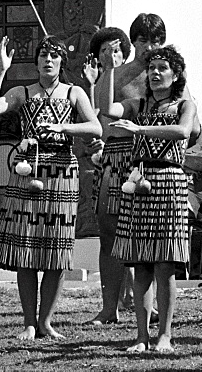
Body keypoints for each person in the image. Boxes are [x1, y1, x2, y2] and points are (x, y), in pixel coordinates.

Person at [0, 36, 101, 340]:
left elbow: (95, 128)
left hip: (61, 169)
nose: (48, 60)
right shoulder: (23, 92)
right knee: (26, 247)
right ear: (36, 62)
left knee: (56, 248)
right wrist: (1, 70)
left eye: (54, 56)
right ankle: (29, 323)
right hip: (28, 169)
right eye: (43, 56)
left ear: (62, 62)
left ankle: (46, 321)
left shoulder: (74, 93)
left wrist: (64, 128)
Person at [101, 45, 193, 353]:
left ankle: (164, 335)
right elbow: (108, 110)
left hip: (169, 182)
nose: (154, 73)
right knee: (141, 266)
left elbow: (182, 132)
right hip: (138, 183)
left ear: (175, 73)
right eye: (151, 68)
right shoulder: (137, 103)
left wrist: (140, 129)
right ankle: (141, 336)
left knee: (165, 265)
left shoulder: (184, 104)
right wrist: (107, 72)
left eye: (162, 68)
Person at [83, 26, 134, 324]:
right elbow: (95, 118)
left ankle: (134, 297)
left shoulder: (131, 77)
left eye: (115, 50)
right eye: (103, 50)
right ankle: (110, 305)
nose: (110, 55)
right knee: (109, 231)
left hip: (132, 158)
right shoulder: (96, 80)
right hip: (107, 160)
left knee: (134, 230)